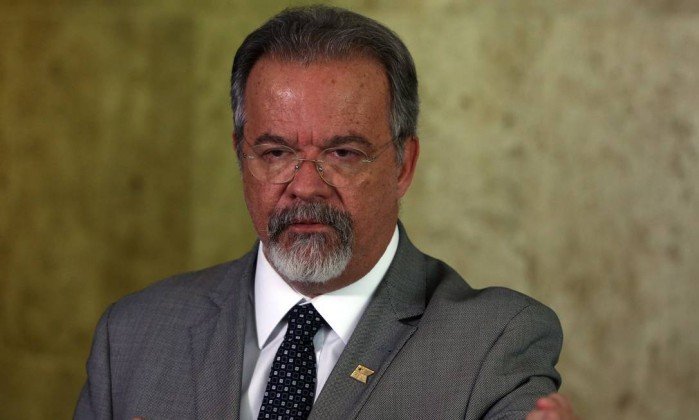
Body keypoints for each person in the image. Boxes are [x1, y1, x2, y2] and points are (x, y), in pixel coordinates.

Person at [75, 6, 577, 420]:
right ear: (241, 157)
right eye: (276, 153)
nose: (306, 186)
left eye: (343, 153)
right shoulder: (134, 336)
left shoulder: (494, 342)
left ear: (403, 165)